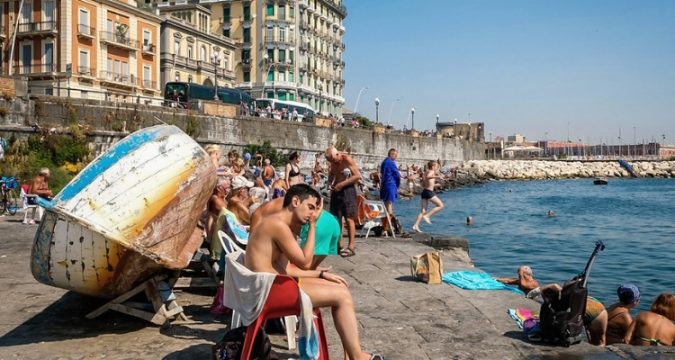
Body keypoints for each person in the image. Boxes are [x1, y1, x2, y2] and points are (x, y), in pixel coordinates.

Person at [244, 184, 383, 360]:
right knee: (342, 296)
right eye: (310, 207)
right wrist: (313, 226)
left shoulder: (276, 222)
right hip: (269, 292)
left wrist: (320, 274)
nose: (312, 213)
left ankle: (354, 355)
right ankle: (357, 356)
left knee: (339, 287)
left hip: (267, 286)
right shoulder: (278, 226)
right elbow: (305, 261)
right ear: (295, 201)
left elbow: (286, 268)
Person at [325, 146, 361, 257]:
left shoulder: (347, 160)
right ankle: (339, 245)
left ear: (337, 154)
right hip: (337, 191)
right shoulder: (332, 163)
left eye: (334, 160)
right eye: (331, 161)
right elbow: (331, 175)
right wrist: (330, 183)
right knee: (337, 218)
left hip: (347, 190)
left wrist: (342, 184)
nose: (334, 162)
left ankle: (351, 246)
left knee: (349, 218)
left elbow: (357, 176)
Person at [411, 160, 445, 233]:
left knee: (423, 211)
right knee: (440, 205)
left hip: (425, 192)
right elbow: (429, 176)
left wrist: (436, 185)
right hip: (429, 192)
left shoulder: (425, 172)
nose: (437, 168)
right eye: (436, 166)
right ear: (433, 166)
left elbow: (424, 184)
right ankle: (428, 216)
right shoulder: (431, 172)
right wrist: (438, 176)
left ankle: (415, 225)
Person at [379, 148, 403, 234]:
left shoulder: (384, 162)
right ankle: (388, 227)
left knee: (385, 205)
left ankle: (386, 226)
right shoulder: (391, 163)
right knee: (389, 206)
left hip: (384, 186)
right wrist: (397, 185)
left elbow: (382, 174)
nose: (396, 157)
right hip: (390, 185)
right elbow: (397, 175)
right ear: (392, 154)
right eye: (395, 155)